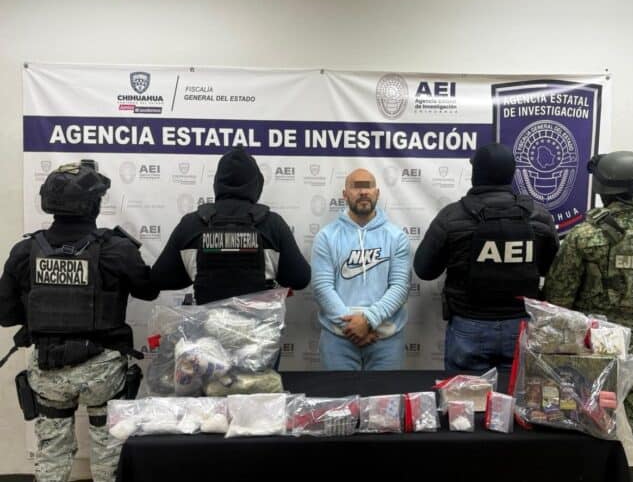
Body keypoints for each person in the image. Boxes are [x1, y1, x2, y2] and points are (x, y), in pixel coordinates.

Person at [0, 160, 159, 482]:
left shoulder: (25, 251)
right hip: (102, 372)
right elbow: (149, 290)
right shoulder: (116, 248)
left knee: (52, 454)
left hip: (49, 369)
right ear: (93, 204)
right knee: (108, 453)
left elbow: (5, 315)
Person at [544, 151, 633, 482]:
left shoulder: (586, 234)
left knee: (586, 428)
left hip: (597, 347)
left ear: (602, 188)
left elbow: (558, 296)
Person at [413, 143, 559, 373]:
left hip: (469, 326)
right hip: (520, 326)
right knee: (515, 394)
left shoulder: (452, 216)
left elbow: (425, 270)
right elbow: (552, 270)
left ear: (476, 173)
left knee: (465, 395)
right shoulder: (538, 216)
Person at [152, 147, 311, 304]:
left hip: (206, 320)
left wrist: (198, 272)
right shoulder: (272, 224)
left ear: (217, 182)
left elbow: (160, 277)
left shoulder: (191, 224)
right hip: (259, 320)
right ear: (256, 184)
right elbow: (300, 278)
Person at [311, 168, 410, 370]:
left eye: (368, 187)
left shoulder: (397, 237)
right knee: (338, 393)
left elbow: (400, 287)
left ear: (377, 193)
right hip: (338, 339)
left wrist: (368, 321)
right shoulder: (327, 236)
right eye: (356, 187)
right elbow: (322, 287)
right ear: (345, 194)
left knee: (387, 393)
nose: (363, 192)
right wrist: (352, 327)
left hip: (386, 340)